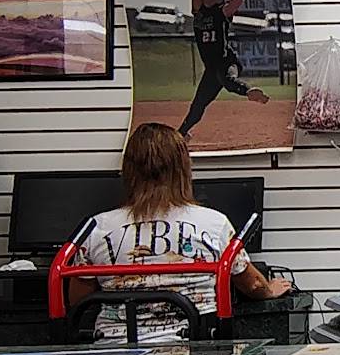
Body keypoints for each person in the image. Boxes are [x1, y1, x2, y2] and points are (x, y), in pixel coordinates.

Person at [71, 123, 292, 340]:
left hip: (115, 347)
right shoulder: (214, 223)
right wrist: (269, 290)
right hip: (195, 347)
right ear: (184, 168)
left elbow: (77, 301)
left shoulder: (96, 228)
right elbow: (252, 284)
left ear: (128, 170)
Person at [178, 0, 270, 137]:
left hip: (227, 61)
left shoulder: (222, 12)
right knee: (198, 104)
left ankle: (249, 91)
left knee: (227, 79)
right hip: (211, 69)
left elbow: (234, 3)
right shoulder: (198, 12)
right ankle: (181, 134)